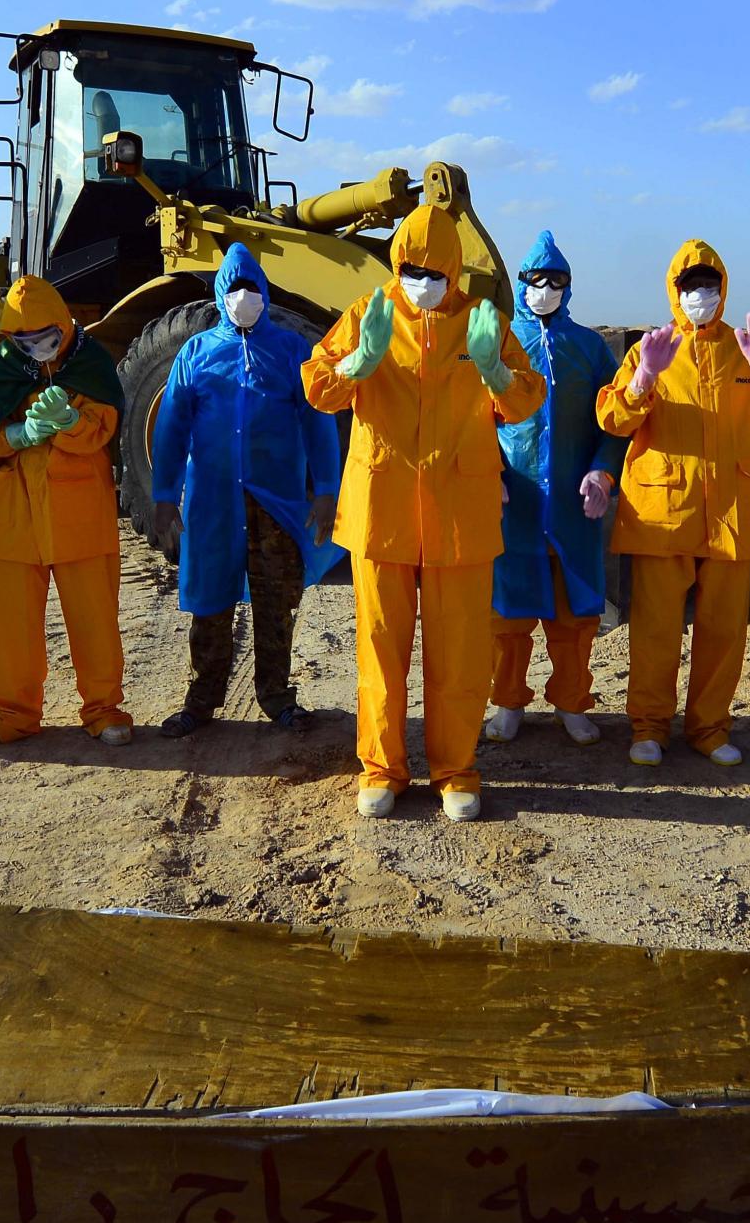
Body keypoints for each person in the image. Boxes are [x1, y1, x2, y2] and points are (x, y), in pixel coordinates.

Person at [303, 204, 545, 822]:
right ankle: (381, 768)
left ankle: (456, 770)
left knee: (459, 652)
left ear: (454, 269)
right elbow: (316, 385)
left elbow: (525, 402)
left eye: (435, 270)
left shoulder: (480, 320)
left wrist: (492, 369)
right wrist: (358, 363)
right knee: (381, 649)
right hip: (381, 510)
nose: (422, 280)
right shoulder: (368, 312)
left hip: (458, 513)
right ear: (397, 261)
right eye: (411, 267)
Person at [598, 241, 750, 767]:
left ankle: (710, 728)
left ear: (724, 288)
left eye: (709, 285)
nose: (700, 295)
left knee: (724, 630)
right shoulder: (652, 348)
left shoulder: (746, 348)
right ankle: (648, 728)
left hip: (732, 515)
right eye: (690, 286)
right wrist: (645, 377)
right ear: (674, 291)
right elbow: (613, 420)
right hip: (663, 514)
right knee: (655, 630)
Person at [148, 243, 344, 736]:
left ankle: (277, 696)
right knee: (209, 597)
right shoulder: (196, 352)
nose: (243, 296)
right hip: (214, 500)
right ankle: (201, 700)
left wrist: (325, 490)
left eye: (251, 287)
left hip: (274, 498)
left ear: (265, 291)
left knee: (277, 599)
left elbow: (318, 424)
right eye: (234, 288)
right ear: (220, 294)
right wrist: (164, 496)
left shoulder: (293, 350)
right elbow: (170, 428)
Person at [0, 274, 135, 748]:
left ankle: (104, 709)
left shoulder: (92, 362)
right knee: (10, 624)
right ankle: (14, 713)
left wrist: (71, 423)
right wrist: (15, 436)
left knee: (94, 618)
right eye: (25, 339)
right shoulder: (1, 365)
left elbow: (104, 430)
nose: (36, 347)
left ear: (63, 324)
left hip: (79, 509)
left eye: (45, 337)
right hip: (14, 511)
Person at [485, 230, 627, 747]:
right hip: (515, 505)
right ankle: (507, 702)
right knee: (508, 614)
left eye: (556, 281)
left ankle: (572, 702)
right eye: (536, 280)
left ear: (569, 288)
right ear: (521, 284)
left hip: (572, 505)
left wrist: (603, 472)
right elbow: (475, 419)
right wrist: (491, 473)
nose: (545, 289)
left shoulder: (589, 347)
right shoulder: (499, 343)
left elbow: (615, 421)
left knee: (574, 616)